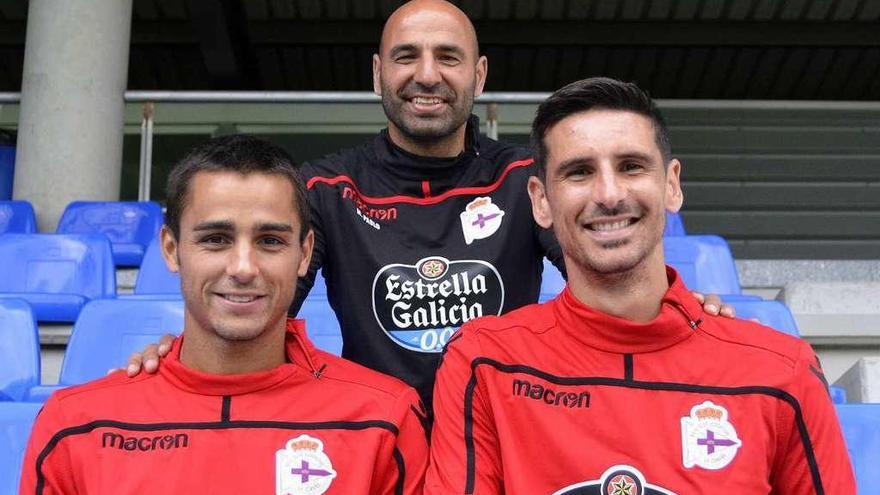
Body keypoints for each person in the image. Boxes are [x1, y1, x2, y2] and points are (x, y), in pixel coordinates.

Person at [127, 0, 731, 418]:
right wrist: (181, 353)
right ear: (377, 73)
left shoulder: (525, 177)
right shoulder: (325, 187)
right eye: (406, 56)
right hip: (378, 432)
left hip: (504, 422)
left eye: (448, 56)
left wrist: (677, 309)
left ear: (479, 73)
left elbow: (605, 268)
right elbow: (257, 301)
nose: (427, 75)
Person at [425, 78, 855, 494]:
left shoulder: (782, 371)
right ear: (541, 201)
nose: (609, 194)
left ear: (671, 185)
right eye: (579, 172)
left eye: (631, 166)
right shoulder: (485, 363)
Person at [20, 135, 428, 494]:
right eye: (215, 239)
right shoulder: (77, 424)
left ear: (304, 253)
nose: (243, 267)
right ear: (170, 249)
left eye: (270, 240)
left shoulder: (383, 419)